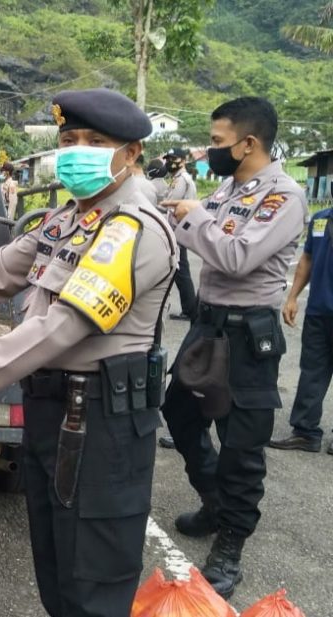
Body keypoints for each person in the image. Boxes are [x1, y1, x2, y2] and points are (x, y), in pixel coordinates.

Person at [0, 88, 177, 617]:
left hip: (102, 420)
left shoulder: (132, 230)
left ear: (132, 153)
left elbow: (62, 327)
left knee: (93, 576)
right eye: (69, 140)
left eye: (96, 141)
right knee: (55, 563)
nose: (78, 151)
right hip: (53, 409)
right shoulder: (67, 218)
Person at [161, 97, 307, 599]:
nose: (211, 150)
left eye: (219, 142)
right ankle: (215, 499)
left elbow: (236, 256)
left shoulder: (282, 197)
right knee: (178, 411)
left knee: (241, 443)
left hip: (249, 336)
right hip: (208, 325)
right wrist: (191, 217)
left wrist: (196, 217)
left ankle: (231, 544)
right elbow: (206, 241)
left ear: (249, 143)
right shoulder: (227, 188)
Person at [269, 202, 333, 455]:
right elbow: (306, 258)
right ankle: (306, 432)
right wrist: (293, 297)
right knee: (312, 370)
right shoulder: (320, 219)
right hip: (319, 311)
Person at [163, 148, 198, 321]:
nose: (170, 162)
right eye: (169, 158)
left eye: (174, 159)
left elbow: (169, 203)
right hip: (176, 227)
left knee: (181, 269)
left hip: (178, 228)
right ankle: (190, 309)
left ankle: (190, 310)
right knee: (180, 268)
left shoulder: (182, 180)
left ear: (183, 161)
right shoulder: (177, 179)